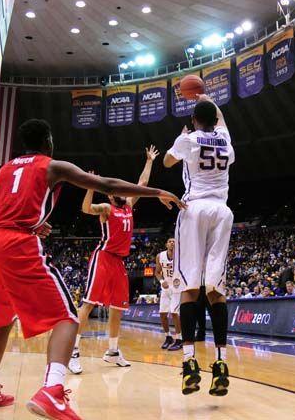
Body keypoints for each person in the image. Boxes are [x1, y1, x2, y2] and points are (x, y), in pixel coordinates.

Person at [0, 120, 183, 419]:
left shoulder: (5, 169)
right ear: (48, 140)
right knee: (68, 317)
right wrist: (160, 191)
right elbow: (107, 185)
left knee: (3, 320)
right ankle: (53, 391)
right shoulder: (52, 165)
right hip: (18, 245)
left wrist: (29, 221)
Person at [164, 94, 235, 396]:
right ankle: (221, 364)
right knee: (216, 289)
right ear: (216, 121)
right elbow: (223, 123)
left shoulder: (188, 139)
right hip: (222, 212)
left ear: (194, 121)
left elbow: (167, 162)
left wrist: (181, 139)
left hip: (194, 210)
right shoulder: (225, 139)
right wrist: (208, 100)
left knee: (189, 287)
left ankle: (189, 363)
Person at [69, 145, 161, 375]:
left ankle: (112, 351)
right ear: (110, 193)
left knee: (118, 307)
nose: (121, 190)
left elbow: (142, 184)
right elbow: (85, 208)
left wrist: (149, 161)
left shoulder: (129, 204)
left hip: (119, 261)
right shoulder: (107, 208)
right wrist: (90, 186)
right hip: (103, 257)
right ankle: (73, 351)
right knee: (88, 303)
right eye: (116, 189)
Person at [155, 238, 183, 351]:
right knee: (162, 314)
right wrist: (162, 282)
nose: (172, 242)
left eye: (174, 241)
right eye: (170, 241)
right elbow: (157, 272)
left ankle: (179, 340)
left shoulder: (181, 256)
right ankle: (168, 337)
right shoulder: (159, 256)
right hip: (166, 287)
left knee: (175, 313)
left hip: (177, 287)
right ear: (166, 244)